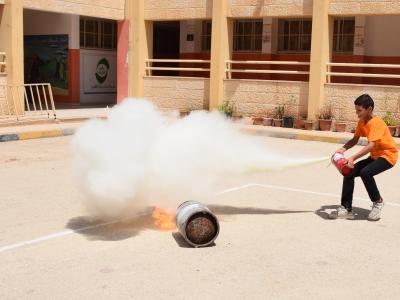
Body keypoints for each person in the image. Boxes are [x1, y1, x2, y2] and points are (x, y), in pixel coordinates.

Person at [329, 94, 398, 221]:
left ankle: (378, 202)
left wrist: (353, 158)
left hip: (388, 156)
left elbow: (371, 145)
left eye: (359, 110)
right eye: (356, 110)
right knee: (348, 171)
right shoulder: (362, 121)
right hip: (376, 156)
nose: (357, 113)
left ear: (369, 109)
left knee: (365, 173)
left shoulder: (376, 123)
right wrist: (342, 149)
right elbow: (355, 139)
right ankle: (346, 207)